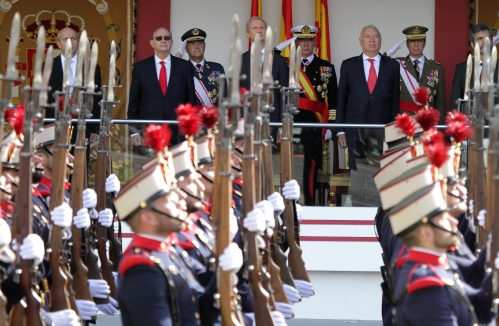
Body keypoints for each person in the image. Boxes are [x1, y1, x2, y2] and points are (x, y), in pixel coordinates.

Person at [336, 25, 400, 169]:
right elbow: (341, 100)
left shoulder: (392, 66)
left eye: (375, 36)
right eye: (367, 37)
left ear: (381, 41)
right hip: (355, 127)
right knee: (357, 174)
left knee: (379, 173)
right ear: (360, 41)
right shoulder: (348, 65)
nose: (372, 40)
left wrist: (394, 132)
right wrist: (340, 130)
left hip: (381, 128)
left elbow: (395, 101)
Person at [289, 24, 338, 206]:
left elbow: (333, 100)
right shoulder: (287, 65)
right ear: (296, 42)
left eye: (309, 40)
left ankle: (308, 205)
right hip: (291, 124)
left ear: (315, 42)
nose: (306, 44)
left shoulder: (326, 68)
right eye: (302, 40)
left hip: (315, 126)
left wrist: (330, 127)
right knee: (289, 166)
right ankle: (289, 206)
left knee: (311, 169)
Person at [128, 27, 197, 146]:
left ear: (171, 42)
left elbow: (191, 100)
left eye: (167, 38)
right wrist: (133, 132)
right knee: (150, 165)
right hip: (148, 131)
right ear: (152, 43)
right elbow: (134, 102)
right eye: (159, 38)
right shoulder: (140, 68)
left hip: (178, 131)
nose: (163, 41)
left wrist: (191, 129)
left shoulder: (184, 66)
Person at [46, 27, 102, 143]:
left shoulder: (91, 67)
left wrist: (94, 128)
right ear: (58, 43)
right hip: (54, 123)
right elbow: (44, 97)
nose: (70, 42)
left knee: (80, 160)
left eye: (73, 39)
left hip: (83, 123)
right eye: (65, 39)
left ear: (78, 42)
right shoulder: (47, 66)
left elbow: (96, 98)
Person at [241, 17, 288, 130]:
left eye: (262, 28)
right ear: (247, 34)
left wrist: (283, 125)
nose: (259, 31)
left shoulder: (279, 61)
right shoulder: (240, 60)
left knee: (270, 148)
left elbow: (284, 93)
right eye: (255, 28)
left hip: (273, 119)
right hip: (247, 118)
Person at [395, 26, 446, 123]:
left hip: (427, 122)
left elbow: (440, 103)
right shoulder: (397, 66)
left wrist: (440, 129)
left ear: (425, 43)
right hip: (404, 122)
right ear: (407, 44)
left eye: (420, 41)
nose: (416, 45)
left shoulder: (437, 68)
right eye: (412, 41)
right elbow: (380, 64)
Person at [449, 23, 499, 110]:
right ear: (472, 44)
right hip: (470, 122)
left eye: (488, 38)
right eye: (480, 39)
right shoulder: (462, 69)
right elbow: (455, 103)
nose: (484, 42)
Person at [181, 28, 226, 106]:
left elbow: (224, 97)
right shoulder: (181, 70)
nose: (197, 46)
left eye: (200, 43)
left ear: (205, 46)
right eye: (192, 43)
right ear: (186, 48)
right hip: (191, 116)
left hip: (213, 116)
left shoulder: (217, 68)